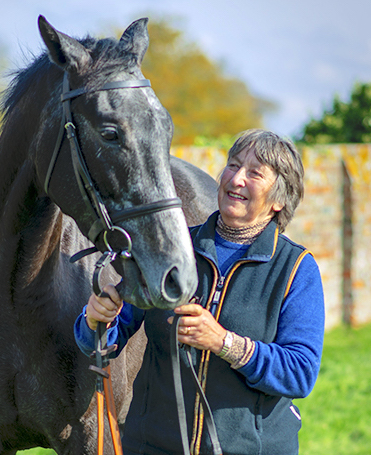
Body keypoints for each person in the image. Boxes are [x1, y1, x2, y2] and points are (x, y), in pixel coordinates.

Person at [74, 129, 325, 455]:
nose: (236, 180)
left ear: (279, 199)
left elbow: (299, 373)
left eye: (254, 174)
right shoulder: (167, 249)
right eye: (233, 166)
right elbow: (106, 340)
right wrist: (96, 321)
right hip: (152, 445)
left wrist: (224, 343)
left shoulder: (295, 268)